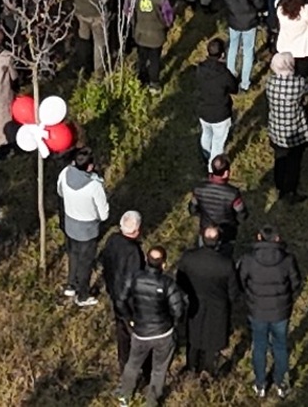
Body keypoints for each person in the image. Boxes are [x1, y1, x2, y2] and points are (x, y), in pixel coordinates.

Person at [115, 239, 187, 404]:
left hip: (140, 333)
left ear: (147, 261)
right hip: (163, 333)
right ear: (163, 264)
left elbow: (120, 301)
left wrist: (129, 319)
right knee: (159, 369)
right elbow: (178, 309)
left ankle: (124, 396)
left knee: (132, 365)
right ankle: (152, 401)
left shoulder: (134, 278)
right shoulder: (168, 284)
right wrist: (174, 323)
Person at [238, 225, 302, 396]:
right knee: (280, 346)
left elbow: (241, 281)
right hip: (281, 312)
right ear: (277, 239)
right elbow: (296, 283)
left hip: (257, 311)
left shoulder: (248, 259)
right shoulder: (288, 259)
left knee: (259, 346)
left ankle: (260, 384)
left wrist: (250, 295)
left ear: (259, 238)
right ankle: (281, 383)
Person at [179, 224, 238, 379]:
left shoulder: (188, 257)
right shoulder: (226, 264)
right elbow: (233, 290)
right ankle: (208, 369)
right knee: (213, 338)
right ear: (218, 242)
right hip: (218, 306)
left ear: (202, 239)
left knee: (193, 335)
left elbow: (180, 281)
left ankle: (191, 366)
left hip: (194, 302)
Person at [59, 146, 113, 306]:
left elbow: (60, 192)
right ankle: (82, 295)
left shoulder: (65, 173)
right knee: (86, 262)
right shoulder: (94, 185)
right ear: (90, 166)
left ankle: (71, 285)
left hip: (70, 224)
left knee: (73, 255)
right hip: (87, 230)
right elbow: (104, 214)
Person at [262, 53, 308, 200]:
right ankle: (289, 190)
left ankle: (279, 184)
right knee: (294, 162)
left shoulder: (270, 83)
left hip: (276, 128)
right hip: (294, 129)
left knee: (280, 157)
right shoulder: (298, 83)